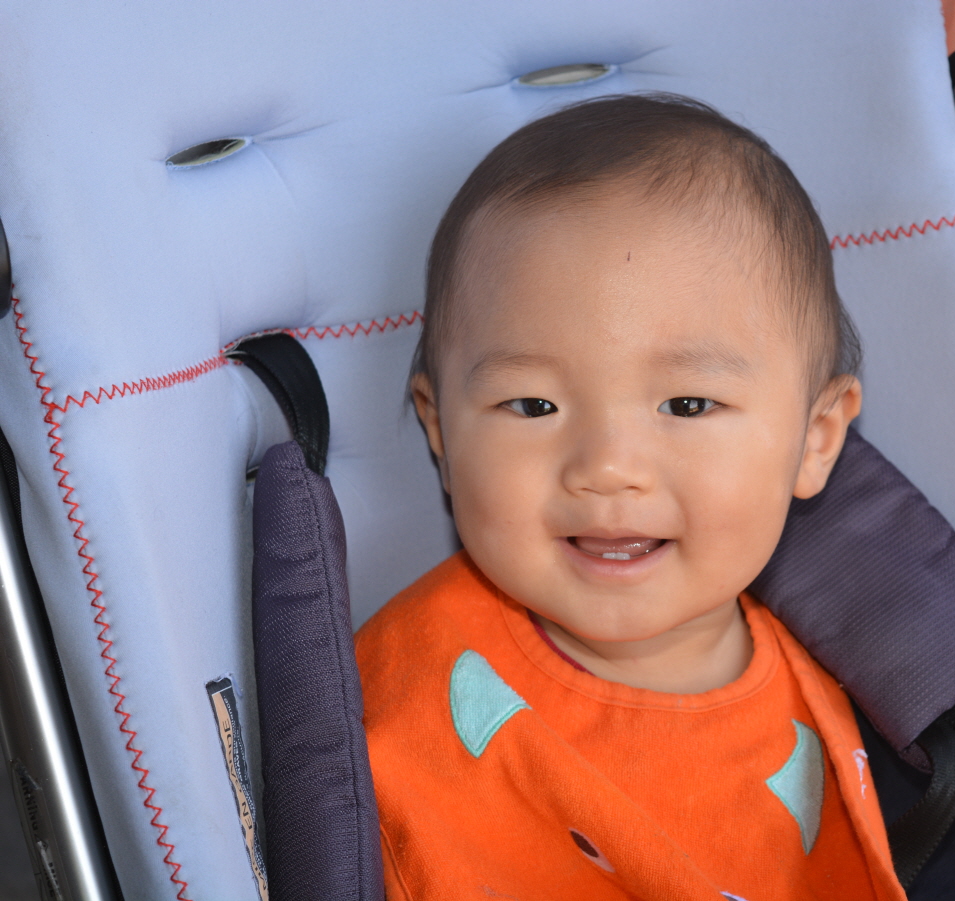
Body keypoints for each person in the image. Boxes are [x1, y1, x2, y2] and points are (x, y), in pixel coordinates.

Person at [356, 92, 908, 900]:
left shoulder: (862, 681)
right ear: (441, 432)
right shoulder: (389, 701)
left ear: (815, 438)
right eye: (533, 405)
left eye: (686, 404)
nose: (609, 467)